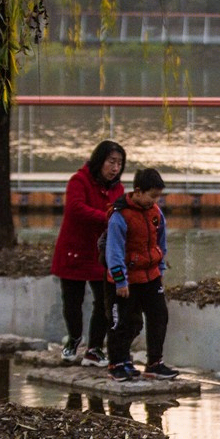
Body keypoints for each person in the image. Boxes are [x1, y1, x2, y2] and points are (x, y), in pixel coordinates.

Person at [50, 140, 125, 366]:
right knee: (72, 301)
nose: (115, 168)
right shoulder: (78, 181)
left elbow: (120, 215)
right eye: (111, 162)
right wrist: (107, 217)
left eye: (120, 164)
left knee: (104, 300)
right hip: (74, 250)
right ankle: (73, 339)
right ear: (99, 160)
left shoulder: (118, 189)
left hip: (101, 253)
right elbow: (75, 208)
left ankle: (94, 348)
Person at [104, 167, 179, 381]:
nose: (155, 200)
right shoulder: (119, 217)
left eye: (158, 196)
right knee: (123, 321)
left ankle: (154, 362)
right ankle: (117, 362)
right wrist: (120, 281)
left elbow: (160, 243)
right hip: (126, 280)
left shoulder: (155, 213)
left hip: (151, 276)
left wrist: (160, 269)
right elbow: (114, 251)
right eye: (152, 196)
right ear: (138, 191)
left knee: (159, 315)